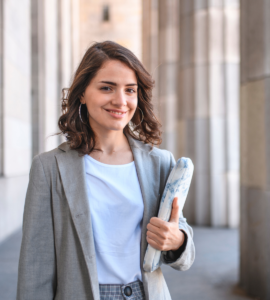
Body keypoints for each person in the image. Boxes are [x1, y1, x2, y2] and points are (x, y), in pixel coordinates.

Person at [16, 41, 195, 300]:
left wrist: (177, 240)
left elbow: (183, 252)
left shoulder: (160, 163)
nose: (120, 101)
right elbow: (36, 264)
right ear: (82, 93)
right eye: (106, 87)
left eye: (130, 90)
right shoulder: (49, 168)